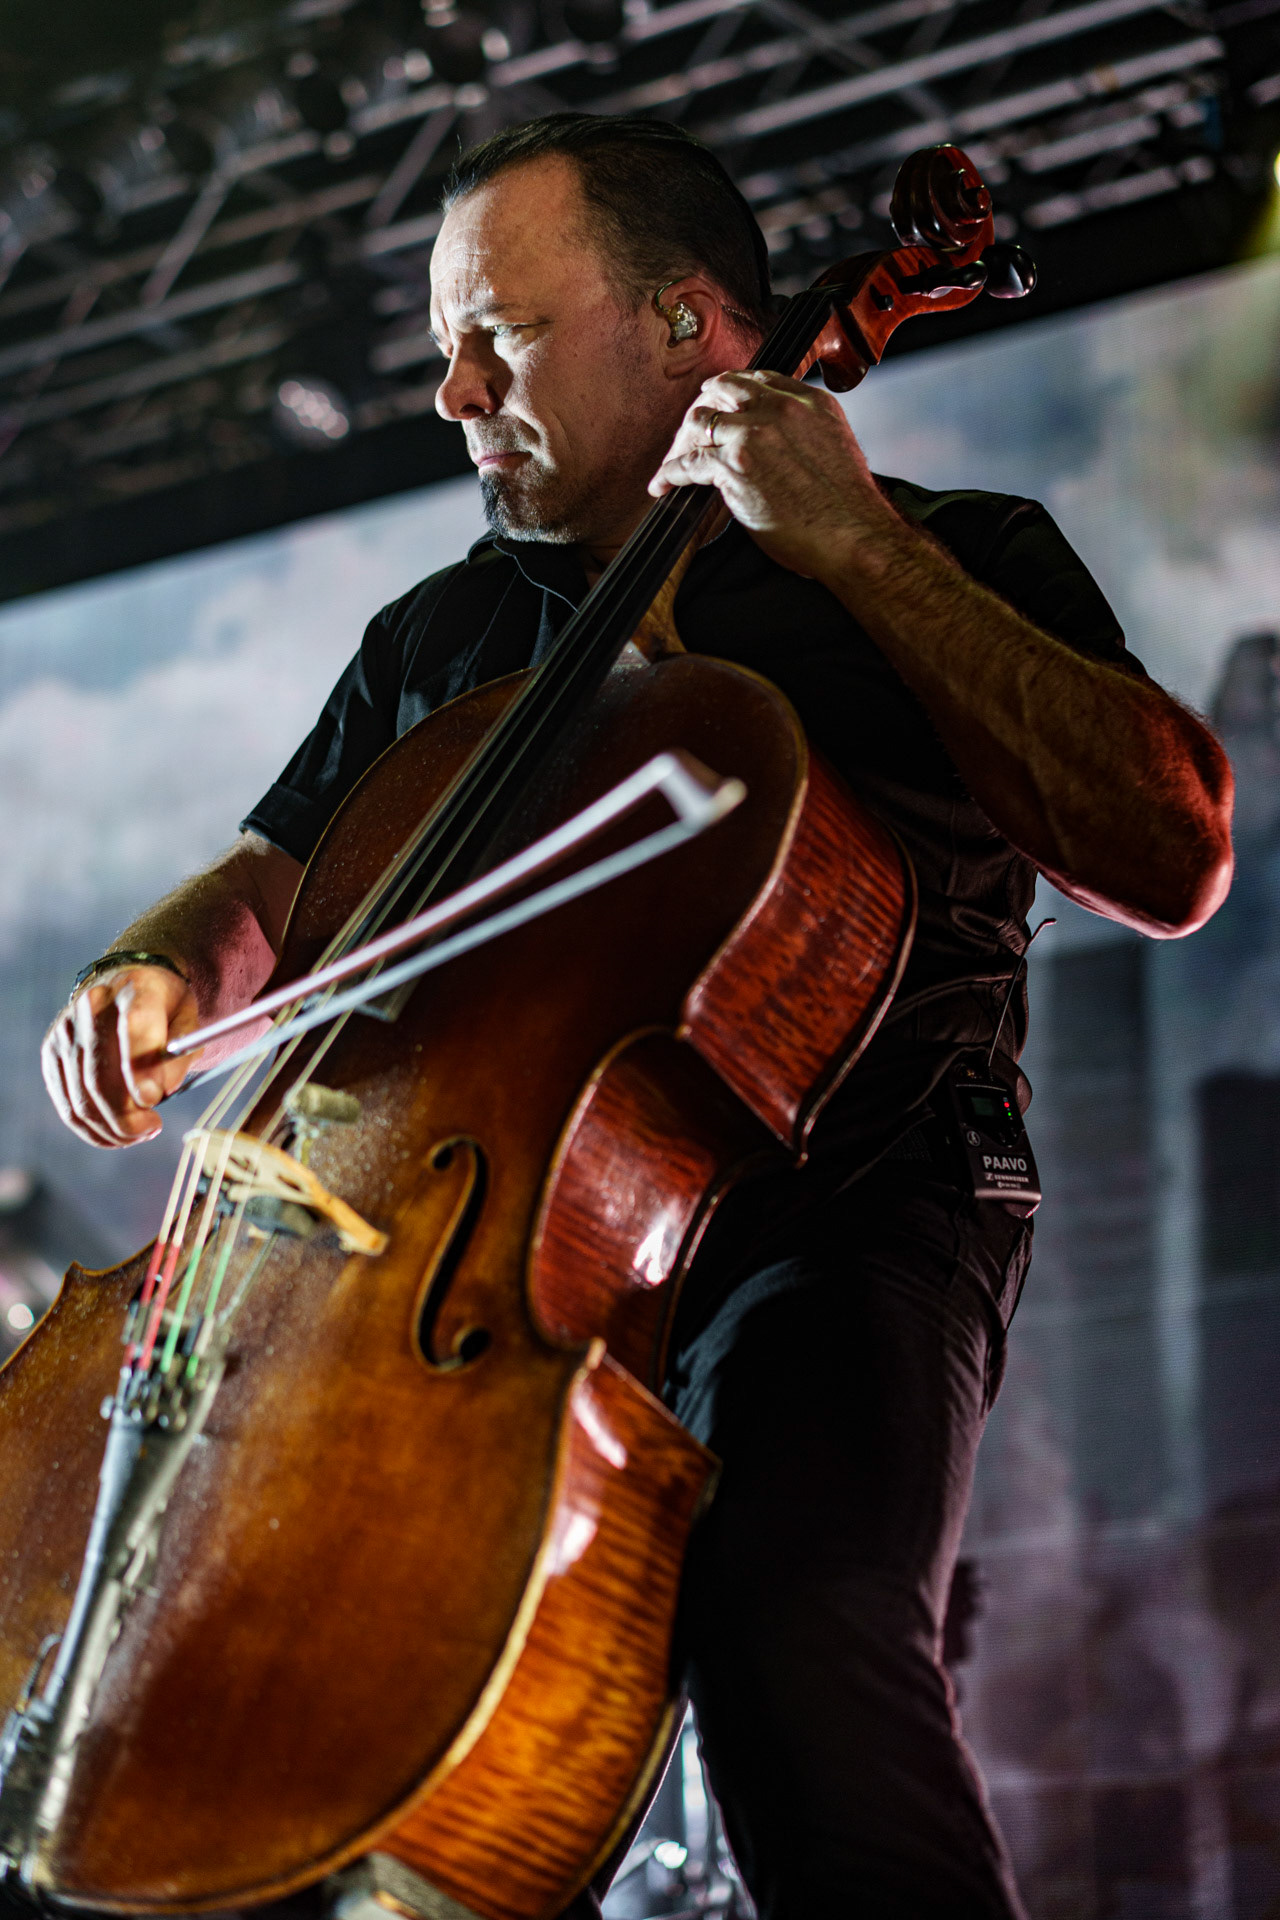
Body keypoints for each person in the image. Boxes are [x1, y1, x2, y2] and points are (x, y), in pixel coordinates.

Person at [42, 114, 1232, 1919]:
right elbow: (262, 902)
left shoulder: (950, 548)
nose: (451, 394)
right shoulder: (438, 640)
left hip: (844, 1213)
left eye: (496, 336)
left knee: (796, 1632)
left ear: (685, 325)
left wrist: (854, 549)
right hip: (473, 1264)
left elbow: (1171, 847)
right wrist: (150, 976)